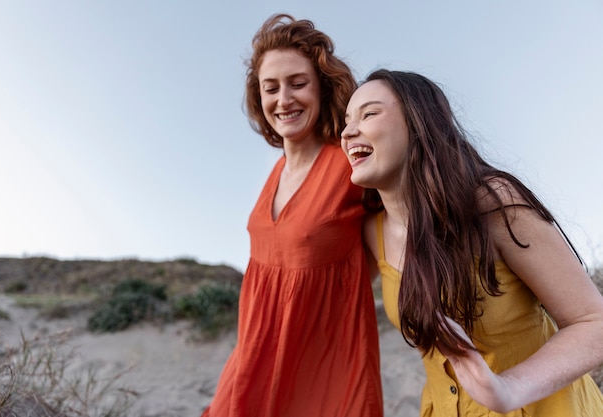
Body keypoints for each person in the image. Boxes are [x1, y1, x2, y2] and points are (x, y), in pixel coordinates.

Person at [341, 69, 603, 416]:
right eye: (346, 121)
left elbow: (592, 322)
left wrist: (508, 388)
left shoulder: (492, 202)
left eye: (369, 113)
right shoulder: (371, 234)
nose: (348, 132)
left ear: (419, 123)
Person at [201, 14, 383, 417]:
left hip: (322, 369)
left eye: (297, 84)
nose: (283, 99)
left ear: (321, 87)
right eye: (271, 88)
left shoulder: (350, 163)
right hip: (252, 361)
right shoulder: (275, 174)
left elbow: (394, 240)